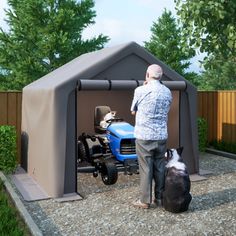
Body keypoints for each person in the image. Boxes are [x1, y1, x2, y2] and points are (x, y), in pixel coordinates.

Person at [130, 64, 172, 209]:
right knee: (160, 166)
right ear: (161, 76)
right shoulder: (167, 92)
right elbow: (167, 110)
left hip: (144, 136)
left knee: (146, 167)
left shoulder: (140, 90)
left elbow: (133, 111)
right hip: (161, 135)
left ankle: (144, 201)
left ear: (147, 74)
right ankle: (159, 199)